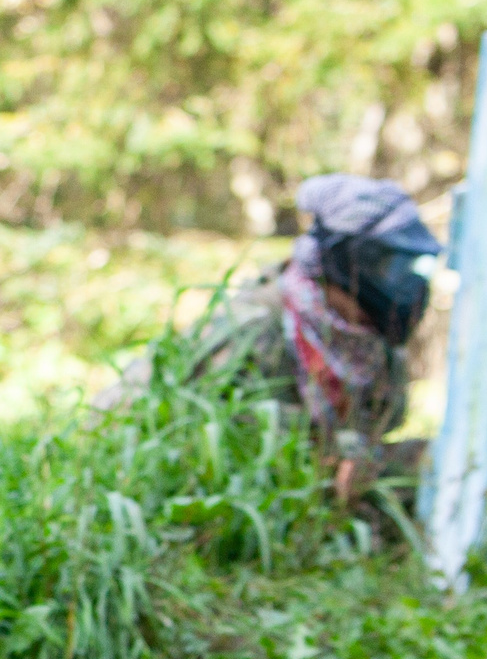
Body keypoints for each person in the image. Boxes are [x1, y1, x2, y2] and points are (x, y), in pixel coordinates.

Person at [153, 174, 442, 502]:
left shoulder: (362, 343)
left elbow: (378, 426)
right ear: (346, 261)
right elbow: (223, 447)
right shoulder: (256, 329)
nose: (401, 284)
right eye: (387, 267)